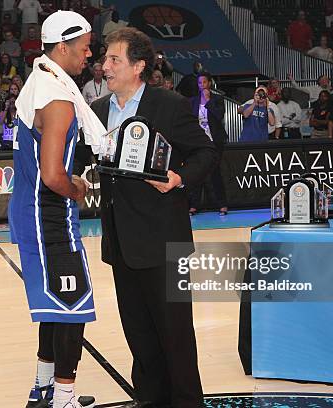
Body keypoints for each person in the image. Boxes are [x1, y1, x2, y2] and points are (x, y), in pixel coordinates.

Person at [89, 27, 216, 408]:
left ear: (139, 66)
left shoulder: (169, 104)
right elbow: (83, 162)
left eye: (114, 59)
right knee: (139, 335)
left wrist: (178, 179)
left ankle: (187, 402)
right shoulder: (96, 112)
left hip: (164, 241)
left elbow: (206, 153)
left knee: (175, 334)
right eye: (104, 59)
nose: (104, 66)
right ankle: (149, 400)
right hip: (121, 242)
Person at [11, 10, 102, 408]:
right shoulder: (58, 98)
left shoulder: (38, 81)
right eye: (84, 47)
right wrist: (77, 188)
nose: (89, 54)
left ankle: (43, 388)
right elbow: (52, 175)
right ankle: (64, 399)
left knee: (53, 307)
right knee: (73, 307)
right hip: (48, 217)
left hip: (30, 213)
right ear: (62, 47)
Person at [189, 71, 228, 216]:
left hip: (215, 141)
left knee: (215, 173)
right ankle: (194, 205)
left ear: (209, 83)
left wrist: (208, 101)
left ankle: (222, 204)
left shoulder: (217, 99)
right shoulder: (192, 101)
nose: (202, 85)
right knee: (197, 173)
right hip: (199, 142)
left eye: (204, 82)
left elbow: (219, 116)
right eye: (200, 83)